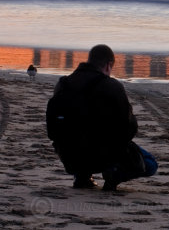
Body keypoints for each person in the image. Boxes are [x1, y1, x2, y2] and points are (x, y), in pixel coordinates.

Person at [47, 44, 158, 191]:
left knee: (80, 136)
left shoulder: (63, 84)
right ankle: (115, 174)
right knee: (150, 164)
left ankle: (82, 176)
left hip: (70, 156)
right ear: (108, 65)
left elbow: (52, 130)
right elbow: (128, 129)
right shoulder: (112, 86)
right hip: (102, 156)